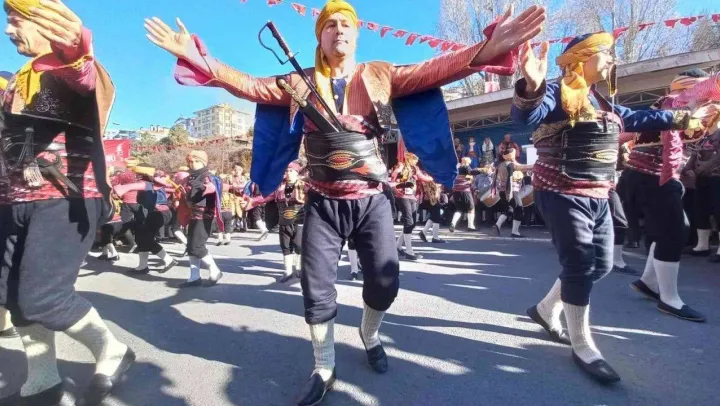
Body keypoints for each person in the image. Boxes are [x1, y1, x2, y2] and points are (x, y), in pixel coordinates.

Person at [145, 1, 545, 403]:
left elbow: (436, 69)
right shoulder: (297, 83)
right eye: (330, 24)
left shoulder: (380, 74)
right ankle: (324, 365)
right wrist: (199, 58)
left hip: (372, 201)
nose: (339, 29)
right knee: (315, 288)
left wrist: (486, 49)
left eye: (346, 24)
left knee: (385, 284)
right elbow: (247, 84)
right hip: (322, 203)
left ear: (356, 34)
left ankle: (369, 333)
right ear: (319, 36)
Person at [513, 33, 707, 384]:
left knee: (600, 265)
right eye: (606, 54)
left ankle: (545, 310)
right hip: (560, 191)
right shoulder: (555, 92)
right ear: (582, 57)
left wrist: (683, 118)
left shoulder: (602, 101)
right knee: (579, 263)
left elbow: (638, 118)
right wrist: (531, 87)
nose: (612, 60)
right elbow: (526, 117)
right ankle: (582, 344)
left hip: (599, 193)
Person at [1, 1, 135, 404]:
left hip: (66, 198)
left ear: (45, 21)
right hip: (11, 201)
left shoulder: (67, 67)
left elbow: (84, 74)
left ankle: (111, 349)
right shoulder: (14, 80)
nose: (8, 31)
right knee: (10, 292)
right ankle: (42, 378)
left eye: (15, 21)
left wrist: (75, 46)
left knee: (43, 297)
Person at [622, 69, 718, 321]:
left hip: (644, 176)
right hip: (653, 176)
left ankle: (648, 281)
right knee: (675, 231)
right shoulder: (675, 103)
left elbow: (628, 135)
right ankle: (669, 299)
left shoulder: (670, 104)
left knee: (663, 231)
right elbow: (674, 135)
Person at [113, 166, 177, 274]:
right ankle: (143, 266)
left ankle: (168, 260)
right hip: (156, 214)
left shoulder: (145, 183)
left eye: (137, 174)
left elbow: (132, 186)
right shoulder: (153, 183)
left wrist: (122, 188)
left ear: (141, 174)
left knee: (145, 239)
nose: (135, 176)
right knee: (141, 238)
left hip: (156, 214)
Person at [250, 162, 306, 283]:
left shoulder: (304, 186)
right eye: (286, 171)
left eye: (291, 171)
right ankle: (288, 271)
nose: (288, 173)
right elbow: (265, 197)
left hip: (299, 221)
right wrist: (252, 201)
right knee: (285, 246)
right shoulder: (279, 187)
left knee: (299, 246)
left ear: (297, 173)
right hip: (284, 221)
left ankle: (299, 269)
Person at [177, 151, 224, 288]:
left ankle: (215, 271)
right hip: (193, 216)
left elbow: (212, 188)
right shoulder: (189, 178)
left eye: (196, 161)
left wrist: (204, 188)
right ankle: (194, 277)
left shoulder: (208, 177)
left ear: (203, 162)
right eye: (190, 161)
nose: (193, 164)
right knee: (191, 247)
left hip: (205, 217)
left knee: (197, 247)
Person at [685, 129, 720, 261]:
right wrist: (688, 168)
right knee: (700, 211)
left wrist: (704, 167)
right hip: (702, 179)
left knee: (718, 212)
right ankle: (702, 246)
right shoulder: (704, 135)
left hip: (717, 178)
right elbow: (695, 153)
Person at [391, 152, 432, 261]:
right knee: (409, 222)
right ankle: (409, 251)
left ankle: (397, 246)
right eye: (414, 160)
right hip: (402, 196)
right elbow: (393, 178)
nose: (416, 162)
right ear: (409, 159)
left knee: (412, 223)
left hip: (412, 196)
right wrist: (398, 173)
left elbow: (422, 177)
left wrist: (434, 178)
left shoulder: (415, 168)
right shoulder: (401, 166)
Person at [492, 148, 532, 237]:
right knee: (519, 209)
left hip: (503, 191)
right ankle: (515, 232)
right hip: (511, 191)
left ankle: (497, 225)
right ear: (511, 155)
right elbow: (523, 167)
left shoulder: (500, 165)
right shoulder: (511, 164)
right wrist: (535, 165)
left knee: (509, 210)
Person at [450, 157, 478, 232]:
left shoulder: (456, 168)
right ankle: (470, 226)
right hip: (465, 191)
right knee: (471, 208)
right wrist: (482, 170)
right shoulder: (466, 167)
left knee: (459, 210)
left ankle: (453, 223)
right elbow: (471, 172)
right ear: (467, 162)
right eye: (469, 163)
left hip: (456, 191)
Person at [418, 178, 447, 244]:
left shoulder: (427, 176)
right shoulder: (429, 177)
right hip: (432, 199)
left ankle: (423, 233)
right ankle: (435, 237)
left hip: (430, 199)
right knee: (436, 218)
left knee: (433, 217)